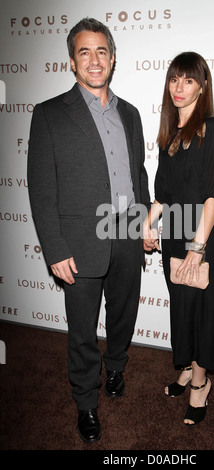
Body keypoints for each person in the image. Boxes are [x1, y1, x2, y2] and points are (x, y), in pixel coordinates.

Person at [27, 18, 150, 443]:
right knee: (82, 329)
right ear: (72, 61)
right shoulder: (48, 115)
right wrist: (54, 248)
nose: (94, 60)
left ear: (112, 59)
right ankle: (85, 401)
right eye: (85, 52)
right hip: (79, 243)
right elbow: (41, 190)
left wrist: (146, 221)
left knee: (123, 314)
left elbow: (138, 174)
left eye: (101, 51)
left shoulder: (130, 114)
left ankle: (115, 365)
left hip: (129, 234)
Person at [144, 52, 214, 426]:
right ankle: (185, 366)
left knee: (199, 311)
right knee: (180, 306)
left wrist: (198, 245)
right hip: (174, 235)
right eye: (174, 79)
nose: (179, 88)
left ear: (202, 86)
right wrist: (147, 224)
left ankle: (200, 382)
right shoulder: (169, 135)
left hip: (200, 236)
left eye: (189, 80)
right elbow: (162, 192)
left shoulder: (212, 128)